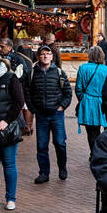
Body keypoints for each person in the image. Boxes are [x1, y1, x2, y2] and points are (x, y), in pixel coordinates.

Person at [0, 50, 26, 210]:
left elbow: (19, 102)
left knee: (9, 163)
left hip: (8, 128)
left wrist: (6, 121)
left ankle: (11, 198)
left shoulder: (10, 78)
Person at [29, 43, 73, 183]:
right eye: (43, 54)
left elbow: (67, 92)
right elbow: (27, 93)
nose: (45, 56)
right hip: (41, 115)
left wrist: (62, 107)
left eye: (48, 54)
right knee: (42, 145)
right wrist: (33, 109)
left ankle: (62, 168)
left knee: (60, 143)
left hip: (56, 114)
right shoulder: (32, 73)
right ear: (38, 56)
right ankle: (44, 173)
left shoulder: (59, 72)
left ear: (52, 57)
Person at [74, 46, 107, 154]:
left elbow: (78, 88)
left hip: (88, 103)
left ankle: (94, 154)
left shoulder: (83, 68)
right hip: (103, 102)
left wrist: (83, 99)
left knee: (92, 133)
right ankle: (105, 154)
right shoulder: (106, 69)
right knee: (106, 130)